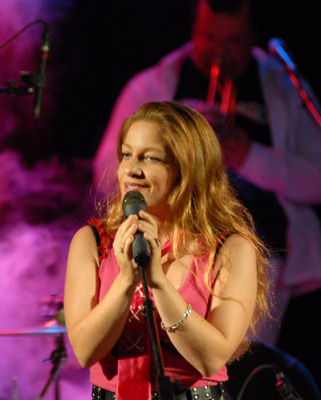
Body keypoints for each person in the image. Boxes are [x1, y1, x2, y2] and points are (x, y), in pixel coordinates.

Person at [92, 0, 321, 372]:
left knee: (235, 372)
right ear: (193, 31)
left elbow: (317, 177)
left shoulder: (282, 86)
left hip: (261, 256)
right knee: (172, 369)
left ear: (253, 38)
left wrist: (249, 156)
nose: (219, 52)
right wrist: (176, 145)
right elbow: (106, 174)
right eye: (209, 37)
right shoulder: (153, 85)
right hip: (172, 251)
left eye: (233, 41)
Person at [65, 101, 270, 399]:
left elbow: (211, 359)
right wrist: (126, 280)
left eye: (151, 158)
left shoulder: (231, 249)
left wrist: (158, 283)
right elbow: (85, 351)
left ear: (187, 170)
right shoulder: (92, 242)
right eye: (126, 154)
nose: (131, 170)